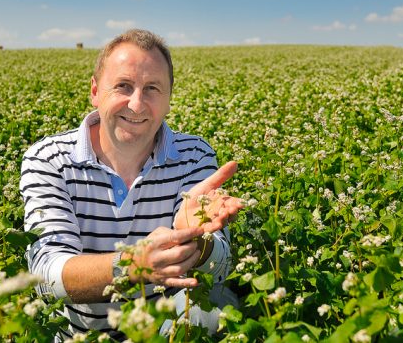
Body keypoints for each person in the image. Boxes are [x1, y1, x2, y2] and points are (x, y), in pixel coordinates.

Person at [20, 29, 243, 341]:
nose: (136, 105)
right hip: (80, 337)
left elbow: (221, 266)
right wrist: (132, 265)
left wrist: (197, 238)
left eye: (152, 89)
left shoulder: (194, 155)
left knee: (209, 310)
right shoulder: (49, 159)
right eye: (123, 86)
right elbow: (45, 275)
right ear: (95, 91)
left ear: (168, 99)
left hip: (162, 333)